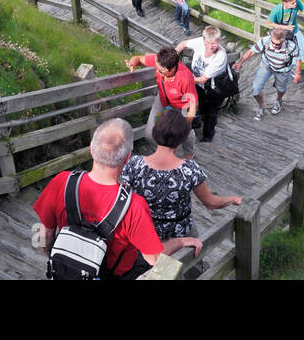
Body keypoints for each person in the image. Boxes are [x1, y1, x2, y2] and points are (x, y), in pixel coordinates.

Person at [33, 119, 201, 279]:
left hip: (66, 269)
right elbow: (154, 258)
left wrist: (57, 258)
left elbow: (45, 235)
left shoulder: (62, 181)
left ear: (92, 148)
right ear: (128, 158)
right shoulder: (134, 206)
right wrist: (181, 241)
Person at [122, 112, 241, 242]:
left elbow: (124, 200)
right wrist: (234, 199)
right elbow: (211, 203)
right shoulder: (189, 170)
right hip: (181, 233)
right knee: (194, 259)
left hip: (146, 232)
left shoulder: (134, 164)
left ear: (155, 132)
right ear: (182, 138)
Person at [125, 46, 198, 156]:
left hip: (181, 107)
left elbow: (193, 104)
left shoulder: (185, 78)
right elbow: (138, 59)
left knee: (184, 133)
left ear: (173, 68)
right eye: (157, 69)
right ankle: (163, 155)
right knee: (150, 134)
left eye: (162, 71)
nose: (158, 72)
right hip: (163, 100)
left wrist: (187, 123)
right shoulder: (159, 61)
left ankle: (188, 154)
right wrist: (132, 63)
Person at [176, 25, 229, 142]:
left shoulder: (221, 56)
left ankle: (208, 135)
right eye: (207, 42)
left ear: (218, 41)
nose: (210, 46)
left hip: (216, 87)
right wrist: (174, 55)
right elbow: (183, 44)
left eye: (214, 43)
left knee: (212, 110)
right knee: (196, 104)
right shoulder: (199, 42)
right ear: (203, 39)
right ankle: (196, 124)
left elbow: (203, 79)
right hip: (198, 83)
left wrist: (183, 79)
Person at [235, 26, 300, 121]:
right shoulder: (265, 41)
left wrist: (298, 73)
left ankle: (278, 100)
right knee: (256, 90)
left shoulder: (291, 46)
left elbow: (298, 59)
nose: (275, 46)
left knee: (281, 89)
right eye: (273, 43)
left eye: (278, 44)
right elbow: (251, 52)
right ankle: (261, 108)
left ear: (284, 40)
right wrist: (239, 63)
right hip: (267, 65)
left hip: (283, 69)